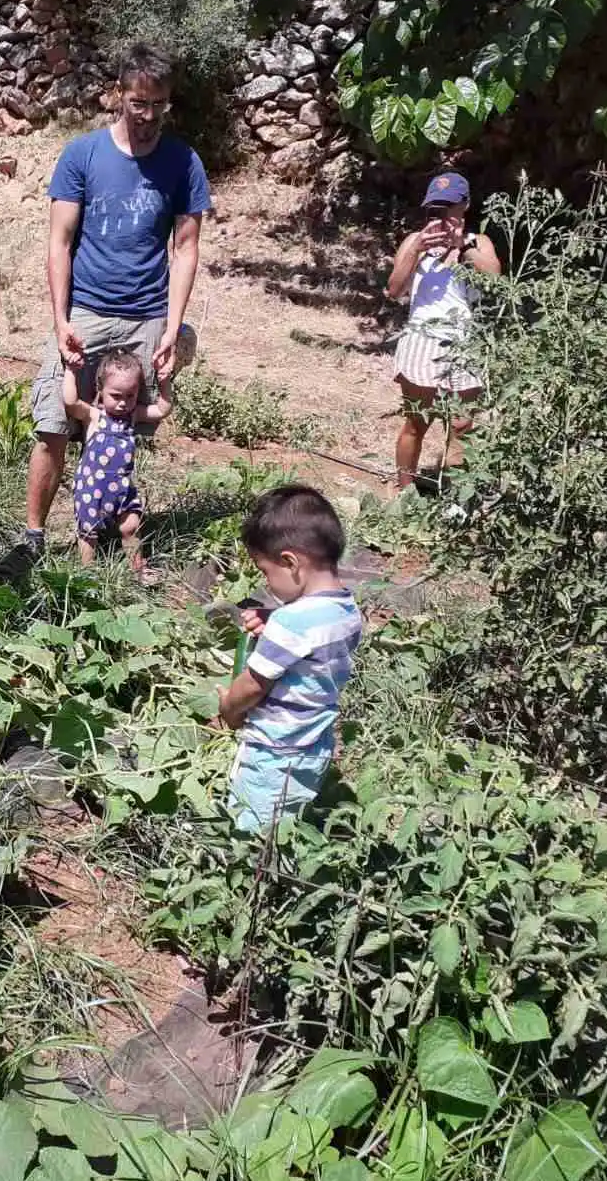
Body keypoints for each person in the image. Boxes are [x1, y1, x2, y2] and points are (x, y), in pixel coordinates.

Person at [24, 42, 212, 557]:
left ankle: (105, 530)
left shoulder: (183, 162)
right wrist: (61, 320)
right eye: (138, 103)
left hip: (146, 315)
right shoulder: (82, 154)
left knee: (125, 429)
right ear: (118, 96)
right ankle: (34, 535)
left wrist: (173, 329)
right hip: (86, 308)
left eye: (159, 105)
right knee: (54, 424)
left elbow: (186, 248)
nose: (148, 116)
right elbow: (59, 243)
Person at [216, 486, 364, 831]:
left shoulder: (291, 622)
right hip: (314, 747)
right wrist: (273, 620)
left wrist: (229, 709)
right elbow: (315, 643)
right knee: (289, 826)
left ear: (290, 562)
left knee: (251, 832)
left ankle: (252, 881)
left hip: (273, 753)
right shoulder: (347, 611)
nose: (266, 583)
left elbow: (254, 685)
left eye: (265, 572)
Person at [385, 171, 502, 492]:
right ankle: (404, 493)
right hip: (421, 342)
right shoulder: (414, 242)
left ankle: (453, 500)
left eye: (450, 206)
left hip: (464, 345)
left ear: (465, 205)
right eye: (436, 207)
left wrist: (462, 245)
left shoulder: (479, 242)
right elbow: (394, 289)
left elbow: (494, 280)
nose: (443, 214)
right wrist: (417, 248)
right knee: (416, 424)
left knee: (462, 426)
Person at [63, 351, 171, 573]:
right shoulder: (95, 416)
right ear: (100, 390)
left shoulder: (133, 416)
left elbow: (162, 409)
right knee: (88, 533)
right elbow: (71, 402)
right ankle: (88, 574)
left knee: (131, 526)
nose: (123, 403)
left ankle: (137, 570)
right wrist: (71, 371)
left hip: (122, 488)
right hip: (92, 488)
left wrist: (164, 382)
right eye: (116, 396)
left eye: (130, 396)